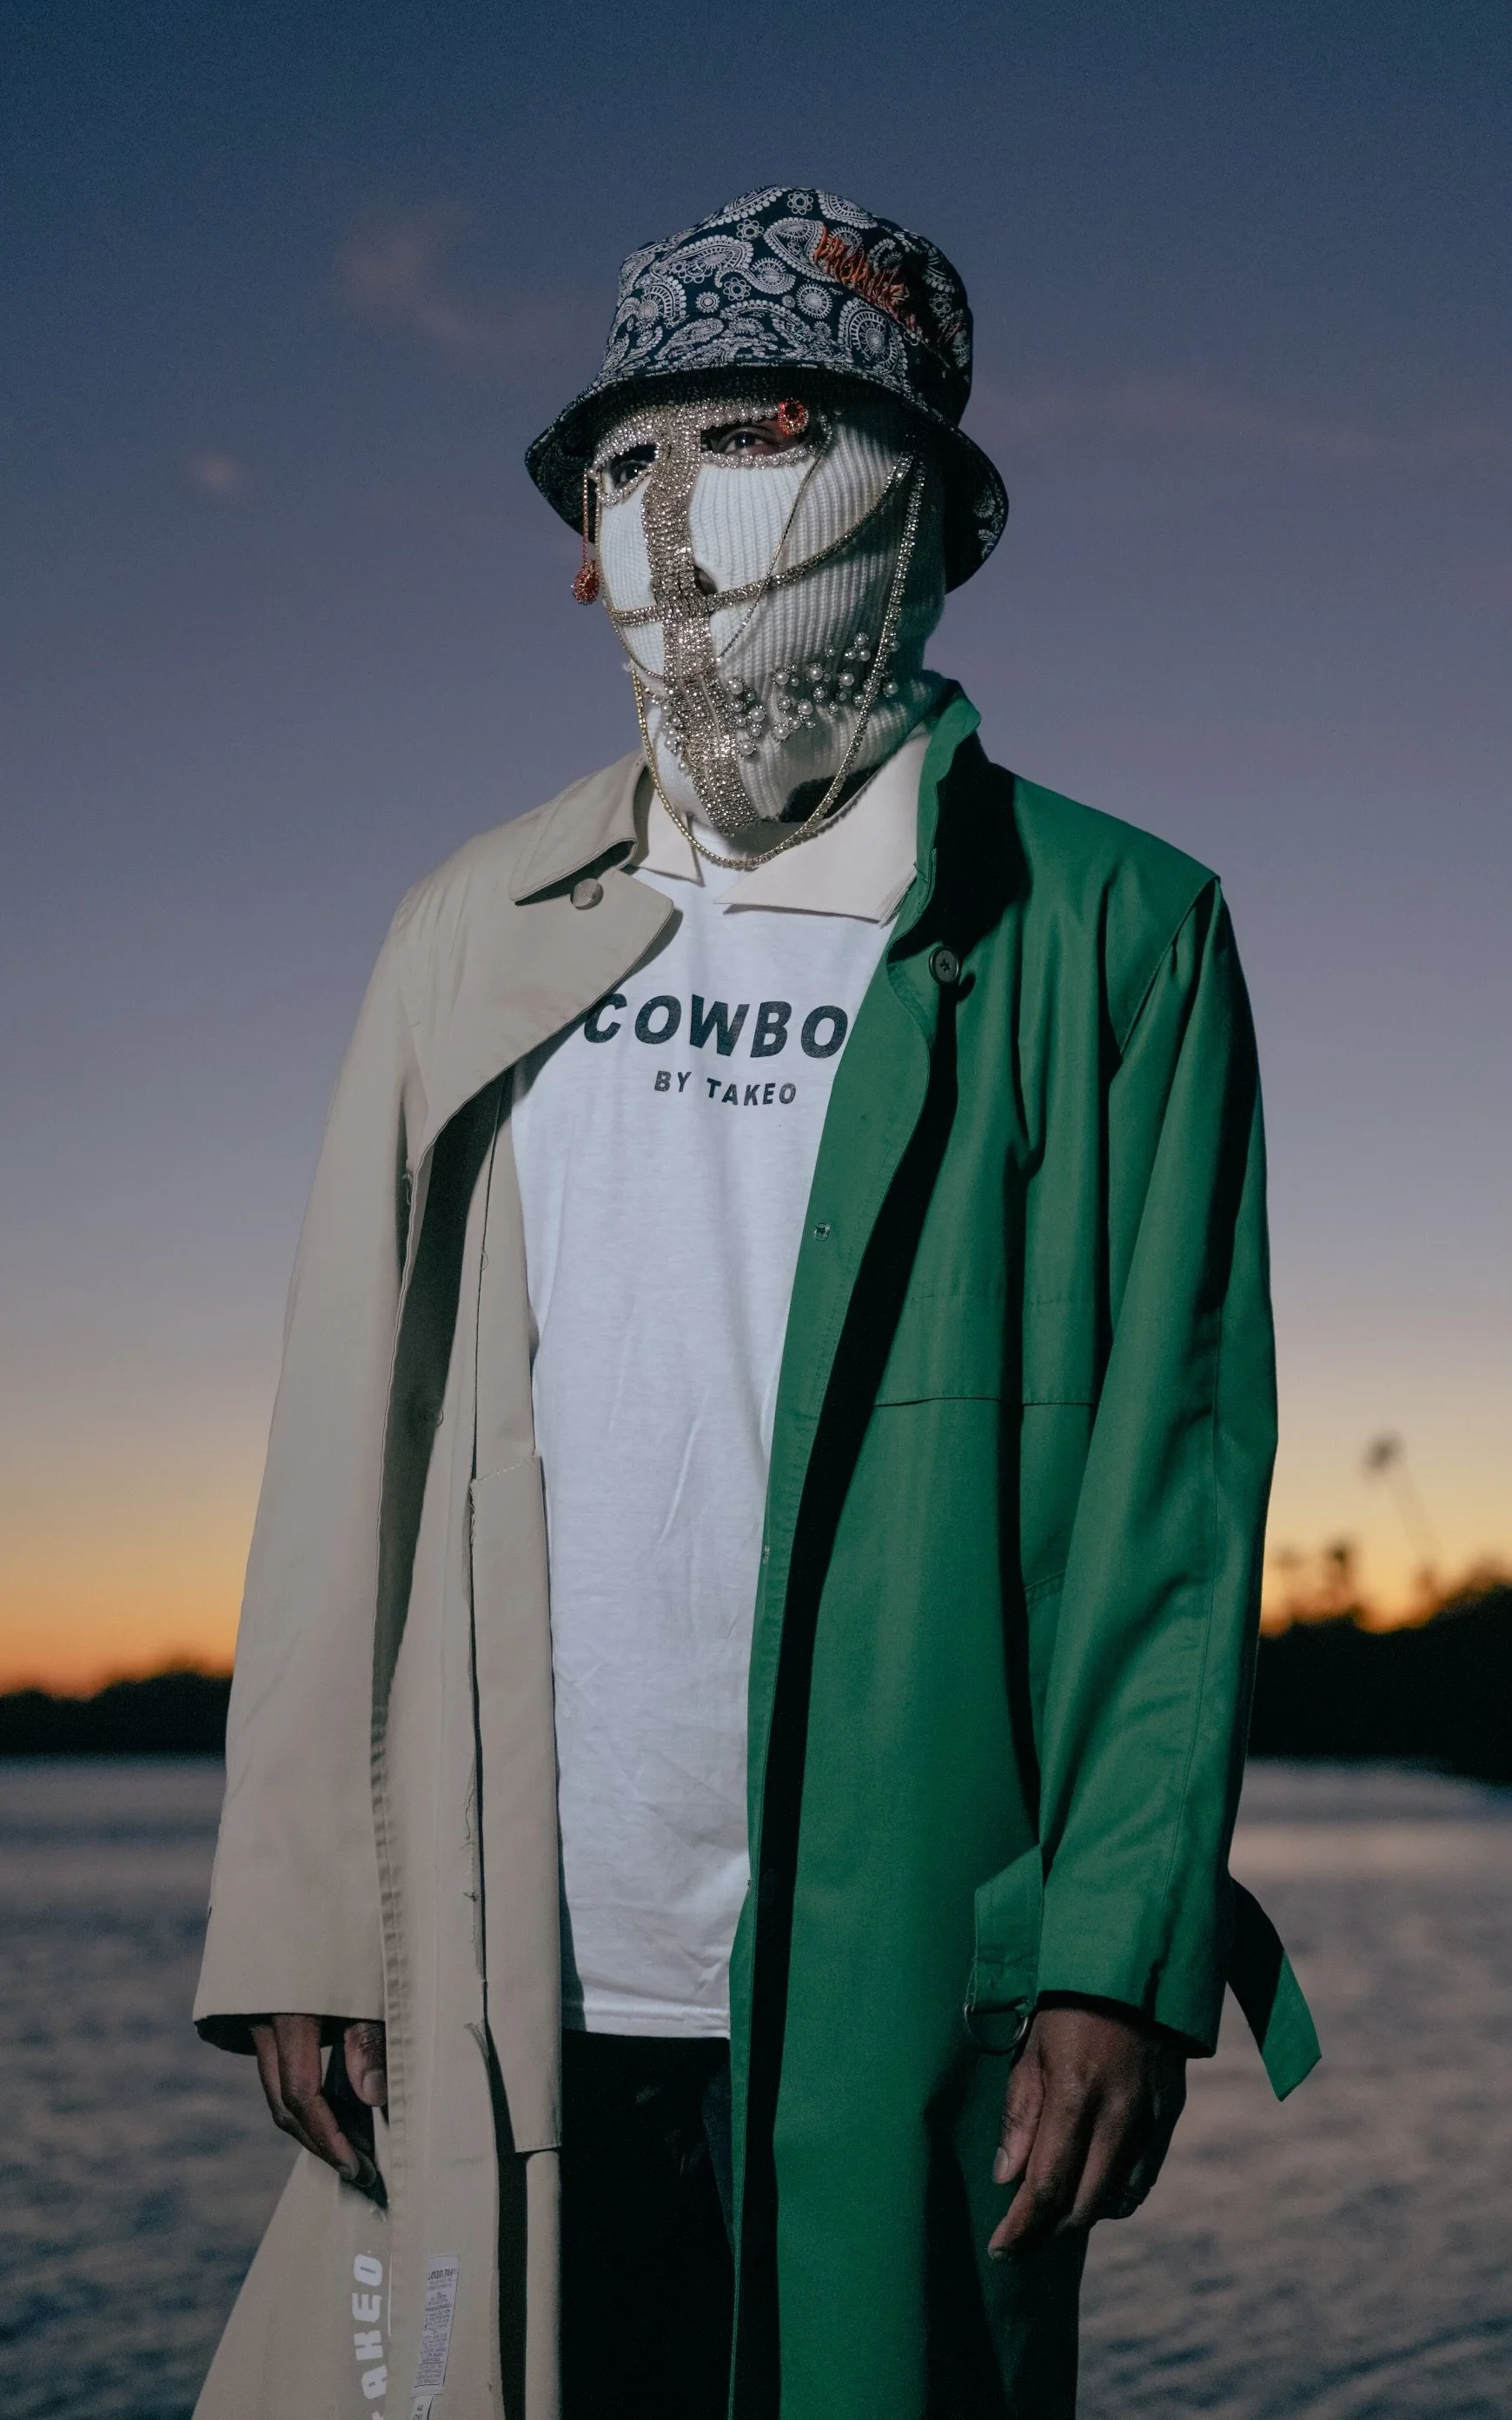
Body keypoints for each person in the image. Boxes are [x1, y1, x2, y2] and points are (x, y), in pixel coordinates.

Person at [191, 188, 1317, 2420]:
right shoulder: (468, 924)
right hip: (506, 1957)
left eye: (760, 434)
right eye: (624, 469)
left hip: (911, 1974)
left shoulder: (1114, 936)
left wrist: (1117, 1954)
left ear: (919, 505)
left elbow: (1169, 1505)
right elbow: (343, 1438)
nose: (679, 521)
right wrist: (306, 1905)